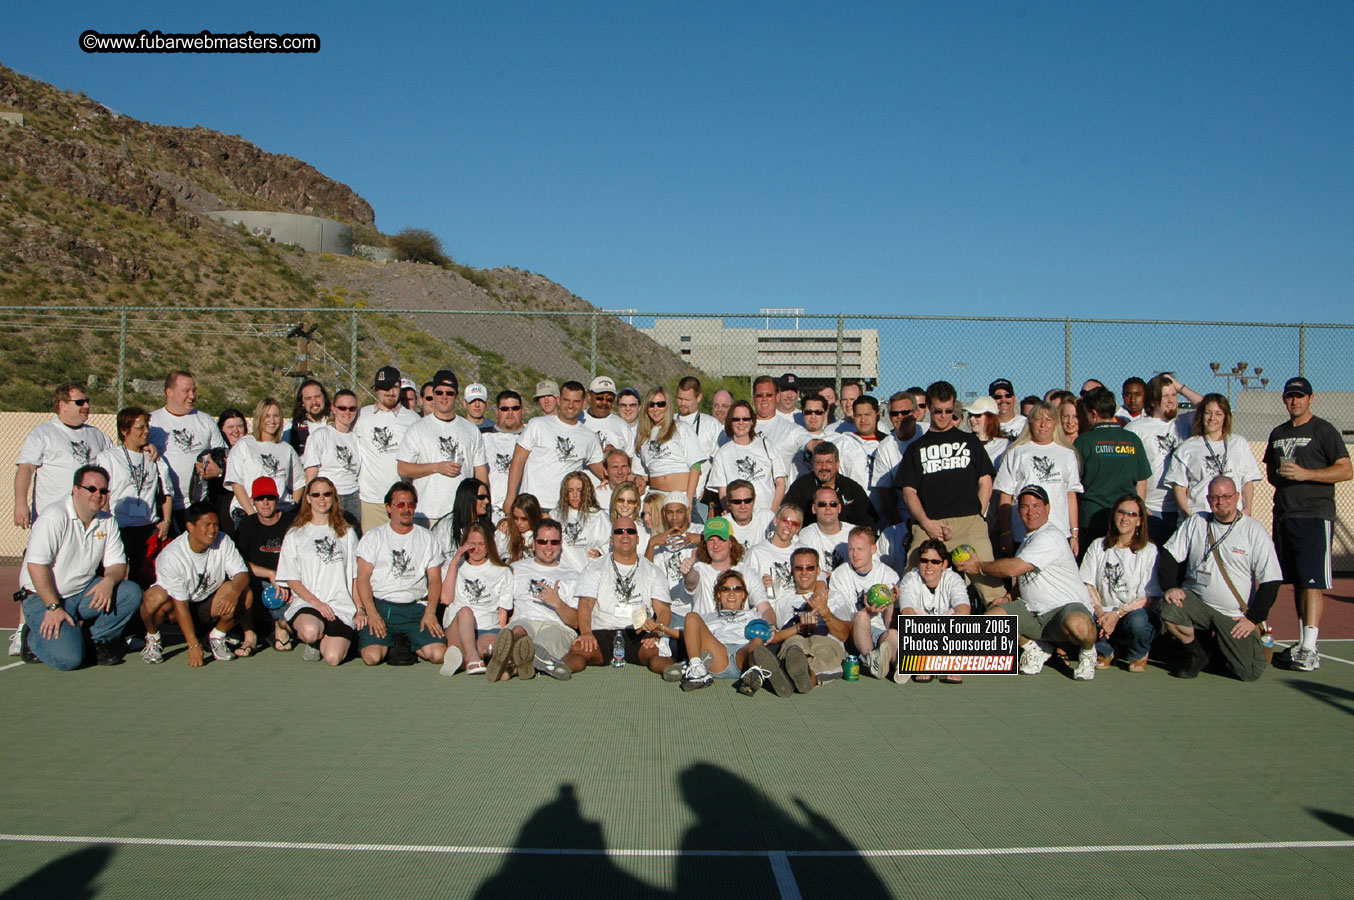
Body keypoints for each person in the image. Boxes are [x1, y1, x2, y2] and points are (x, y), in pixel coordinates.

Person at [959, 485, 1099, 680]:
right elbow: (1025, 578)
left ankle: (1089, 652)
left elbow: (1013, 568)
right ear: (1019, 511)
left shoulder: (1049, 536)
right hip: (1033, 613)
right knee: (991, 620)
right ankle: (1034, 648)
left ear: (1048, 508)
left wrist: (979, 566)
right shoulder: (1028, 540)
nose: (1030, 512)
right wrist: (1009, 597)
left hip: (1065, 611)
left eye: (1036, 505)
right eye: (1025, 506)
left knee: (1080, 626)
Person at [1264, 376, 1352, 672]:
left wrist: (1307, 474)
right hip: (1284, 516)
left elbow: (1346, 470)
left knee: (1312, 582)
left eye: (1300, 396)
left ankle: (1311, 648)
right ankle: (1303, 643)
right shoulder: (1278, 433)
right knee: (1298, 581)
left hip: (1314, 516)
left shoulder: (1323, 430)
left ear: (1311, 399)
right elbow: (1272, 473)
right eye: (1290, 396)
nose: (1295, 401)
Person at [1157, 476, 1283, 681]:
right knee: (1169, 608)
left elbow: (1272, 580)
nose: (1220, 501)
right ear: (1208, 499)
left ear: (1237, 497)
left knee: (1249, 672)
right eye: (1215, 497)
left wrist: (1253, 619)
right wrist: (1170, 586)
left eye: (1226, 496)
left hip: (1233, 615)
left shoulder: (1254, 530)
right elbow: (1169, 555)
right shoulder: (1196, 522)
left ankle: (1216, 651)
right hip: (1198, 603)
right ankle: (1196, 654)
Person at [16, 465, 142, 669]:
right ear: (75, 490)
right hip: (43, 598)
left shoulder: (107, 521)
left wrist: (109, 581)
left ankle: (96, 641)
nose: (98, 495)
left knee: (130, 593)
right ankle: (32, 638)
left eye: (103, 490)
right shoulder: (54, 516)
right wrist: (53, 607)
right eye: (91, 489)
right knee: (69, 660)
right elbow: (36, 566)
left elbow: (117, 564)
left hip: (81, 593)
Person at [898, 381, 1003, 609]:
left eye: (948, 410)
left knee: (992, 589)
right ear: (928, 408)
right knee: (910, 580)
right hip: (929, 524)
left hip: (969, 523)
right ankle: (908, 631)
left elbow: (985, 480)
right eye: (938, 411)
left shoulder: (970, 442)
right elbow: (909, 492)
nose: (944, 416)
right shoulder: (916, 448)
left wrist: (978, 514)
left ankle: (1006, 631)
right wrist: (926, 523)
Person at [139, 502, 251, 666]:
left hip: (208, 603)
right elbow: (181, 604)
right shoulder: (172, 555)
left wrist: (234, 594)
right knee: (153, 597)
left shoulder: (223, 540)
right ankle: (153, 638)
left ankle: (217, 637)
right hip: (177, 608)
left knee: (245, 594)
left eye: (215, 524)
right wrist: (193, 644)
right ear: (190, 527)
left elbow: (241, 574)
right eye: (206, 525)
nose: (213, 530)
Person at [353, 482, 447, 665]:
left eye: (410, 504)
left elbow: (435, 579)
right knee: (372, 658)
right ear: (389, 507)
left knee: (438, 655)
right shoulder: (374, 537)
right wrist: (371, 613)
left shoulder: (428, 538)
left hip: (415, 609)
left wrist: (430, 612)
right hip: (382, 607)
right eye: (400, 504)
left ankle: (405, 642)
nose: (406, 509)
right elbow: (363, 579)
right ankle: (396, 643)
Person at [564, 516, 668, 672]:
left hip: (639, 631)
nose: (625, 535)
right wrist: (586, 633)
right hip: (602, 630)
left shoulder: (653, 570)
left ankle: (674, 672)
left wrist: (656, 633)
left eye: (630, 531)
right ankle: (561, 670)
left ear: (638, 539)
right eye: (619, 531)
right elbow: (586, 604)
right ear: (611, 540)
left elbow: (664, 610)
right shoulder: (594, 567)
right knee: (579, 650)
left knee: (657, 652)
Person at [276, 476, 360, 665]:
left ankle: (326, 638)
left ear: (333, 497)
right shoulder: (295, 534)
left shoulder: (347, 533)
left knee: (333, 658)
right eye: (316, 494)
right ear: (308, 498)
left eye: (326, 494)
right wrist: (317, 603)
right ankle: (298, 631)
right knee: (310, 631)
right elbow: (291, 578)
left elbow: (354, 575)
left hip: (340, 605)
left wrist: (359, 608)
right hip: (309, 603)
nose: (321, 499)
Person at [397, 369, 489, 529]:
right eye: (439, 392)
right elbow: (403, 469)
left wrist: (481, 503)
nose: (444, 396)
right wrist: (436, 467)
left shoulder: (471, 430)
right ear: (433, 394)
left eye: (449, 393)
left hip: (462, 513)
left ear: (456, 396)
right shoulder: (417, 428)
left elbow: (480, 472)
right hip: (427, 514)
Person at [15, 382, 112, 529]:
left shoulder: (98, 435)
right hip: (54, 519)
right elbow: (26, 469)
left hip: (89, 519)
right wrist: (20, 504)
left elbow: (113, 465)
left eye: (87, 401)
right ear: (63, 405)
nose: (86, 406)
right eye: (80, 402)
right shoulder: (43, 433)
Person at [754, 548, 852, 693]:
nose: (804, 572)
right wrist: (799, 627)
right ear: (792, 570)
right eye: (799, 568)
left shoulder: (834, 596)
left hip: (826, 639)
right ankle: (801, 677)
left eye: (810, 568)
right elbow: (777, 636)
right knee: (794, 647)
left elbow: (844, 635)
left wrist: (825, 612)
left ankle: (795, 679)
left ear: (818, 571)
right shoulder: (782, 601)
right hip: (795, 639)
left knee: (824, 653)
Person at [96, 407, 174, 590]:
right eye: (140, 427)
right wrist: (105, 523)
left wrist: (166, 521)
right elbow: (103, 494)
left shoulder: (155, 458)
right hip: (119, 526)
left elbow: (166, 492)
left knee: (143, 578)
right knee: (111, 574)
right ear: (124, 430)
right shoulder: (109, 458)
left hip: (147, 527)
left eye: (147, 426)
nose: (146, 431)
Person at [1079, 494, 1158, 672]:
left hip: (1130, 613)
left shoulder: (1149, 550)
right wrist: (1100, 611)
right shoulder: (1098, 545)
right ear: (1114, 515)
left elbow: (1148, 597)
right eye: (1121, 512)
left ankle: (1138, 653)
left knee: (1139, 621)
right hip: (1102, 613)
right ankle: (1104, 651)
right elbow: (1087, 584)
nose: (1125, 518)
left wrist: (1117, 614)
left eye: (1132, 514)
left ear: (1139, 521)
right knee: (1082, 612)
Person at [993, 401, 1082, 557]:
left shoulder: (1067, 454)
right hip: (1023, 532)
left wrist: (1074, 534)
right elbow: (1006, 496)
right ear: (1030, 423)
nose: (1043, 425)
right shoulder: (1016, 452)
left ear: (1055, 424)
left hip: (1059, 532)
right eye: (1038, 419)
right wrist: (1006, 531)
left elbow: (1070, 495)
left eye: (1048, 420)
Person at [505, 380, 606, 514]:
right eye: (566, 400)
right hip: (533, 505)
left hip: (565, 509)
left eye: (576, 401)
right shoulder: (537, 424)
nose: (570, 405)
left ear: (583, 403)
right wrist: (510, 498)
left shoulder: (589, 437)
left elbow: (601, 469)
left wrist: (612, 478)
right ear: (558, 400)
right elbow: (518, 461)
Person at [503, 518, 581, 680]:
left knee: (541, 646)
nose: (549, 546)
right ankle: (520, 661)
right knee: (517, 631)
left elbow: (576, 622)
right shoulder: (515, 569)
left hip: (556, 626)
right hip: (523, 620)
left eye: (554, 542)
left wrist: (557, 603)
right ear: (533, 544)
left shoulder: (573, 576)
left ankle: (511, 665)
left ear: (561, 544)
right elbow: (503, 607)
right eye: (543, 541)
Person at [884, 539, 971, 684]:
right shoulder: (910, 579)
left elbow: (964, 610)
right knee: (914, 615)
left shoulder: (953, 579)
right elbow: (907, 612)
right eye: (924, 561)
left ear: (944, 564)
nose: (929, 566)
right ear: (919, 562)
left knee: (957, 616)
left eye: (935, 561)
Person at [149, 371, 225, 532]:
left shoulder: (205, 420)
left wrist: (217, 470)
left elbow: (223, 455)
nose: (192, 396)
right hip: (164, 508)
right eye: (186, 391)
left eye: (194, 390)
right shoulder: (152, 422)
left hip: (198, 505)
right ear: (169, 392)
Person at [1165, 393, 1263, 517]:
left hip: (1232, 517)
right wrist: (1188, 514)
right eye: (1208, 413)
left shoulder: (1239, 443)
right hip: (1200, 515)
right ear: (1201, 415)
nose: (1212, 418)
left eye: (1218, 413)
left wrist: (1247, 509)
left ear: (1225, 417)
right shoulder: (1187, 447)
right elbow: (1179, 486)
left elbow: (1247, 481)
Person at [1073, 387, 1150, 545]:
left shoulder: (1084, 441)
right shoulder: (1132, 440)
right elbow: (1141, 482)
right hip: (1125, 517)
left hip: (1092, 517)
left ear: (1093, 413)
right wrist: (1137, 513)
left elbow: (1073, 482)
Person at [440, 522, 517, 678]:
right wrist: (455, 561)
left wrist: (501, 633)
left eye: (481, 544)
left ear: (489, 545)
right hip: (458, 625)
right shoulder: (454, 566)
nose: (476, 549)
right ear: (464, 545)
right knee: (465, 611)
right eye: (472, 544)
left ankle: (463, 660)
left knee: (488, 651)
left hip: (487, 627)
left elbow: (502, 612)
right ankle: (472, 657)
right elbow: (446, 599)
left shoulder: (503, 571)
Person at [1126, 373, 1195, 544]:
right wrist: (1139, 505)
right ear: (1152, 400)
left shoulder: (1183, 422)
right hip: (1150, 508)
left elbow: (1209, 405)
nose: (1171, 400)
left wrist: (1179, 386)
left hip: (1180, 508)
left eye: (1174, 395)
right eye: (1165, 396)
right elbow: (1127, 472)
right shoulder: (1135, 428)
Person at [673, 570, 769, 691]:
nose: (731, 594)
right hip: (718, 653)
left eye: (737, 589)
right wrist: (662, 628)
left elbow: (771, 634)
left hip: (743, 655)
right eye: (725, 589)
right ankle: (697, 670)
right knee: (691, 617)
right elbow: (688, 634)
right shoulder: (708, 617)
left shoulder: (754, 615)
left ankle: (753, 673)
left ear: (744, 594)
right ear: (719, 594)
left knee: (758, 641)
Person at [352, 365, 422, 533]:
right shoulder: (361, 416)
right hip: (371, 501)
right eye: (385, 388)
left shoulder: (413, 419)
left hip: (403, 501)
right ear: (376, 389)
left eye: (394, 387)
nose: (390, 392)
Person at [232, 477, 296, 653]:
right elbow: (238, 562)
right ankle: (249, 635)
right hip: (257, 580)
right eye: (260, 498)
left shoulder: (292, 523)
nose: (265, 503)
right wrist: (269, 574)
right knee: (240, 584)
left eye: (270, 497)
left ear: (277, 498)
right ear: (253, 501)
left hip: (287, 581)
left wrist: (284, 579)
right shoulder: (247, 525)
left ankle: (280, 627)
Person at [225, 397, 305, 525]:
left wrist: (290, 508)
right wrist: (252, 515)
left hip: (279, 515)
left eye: (276, 416)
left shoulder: (287, 449)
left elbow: (299, 483)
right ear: (259, 417)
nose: (272, 420)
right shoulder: (244, 445)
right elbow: (236, 483)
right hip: (249, 514)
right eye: (267, 416)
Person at [835, 527, 901, 673]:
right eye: (851, 549)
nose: (854, 554)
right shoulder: (840, 575)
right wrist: (868, 610)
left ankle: (898, 665)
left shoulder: (889, 575)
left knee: (893, 634)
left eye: (860, 549)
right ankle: (873, 661)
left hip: (880, 634)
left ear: (873, 549)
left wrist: (890, 605)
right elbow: (843, 618)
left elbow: (889, 625)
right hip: (853, 634)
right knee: (862, 616)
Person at [707, 399, 787, 514]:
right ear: (730, 422)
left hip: (767, 513)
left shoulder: (766, 445)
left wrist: (772, 512)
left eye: (745, 419)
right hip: (739, 516)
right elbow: (723, 491)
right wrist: (731, 513)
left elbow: (780, 482)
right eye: (736, 419)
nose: (741, 423)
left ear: (752, 421)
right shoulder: (722, 454)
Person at [634, 385, 703, 512]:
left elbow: (696, 467)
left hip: (680, 497)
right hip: (655, 497)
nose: (655, 408)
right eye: (651, 404)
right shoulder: (642, 435)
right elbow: (641, 473)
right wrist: (638, 479)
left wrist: (688, 501)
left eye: (660, 404)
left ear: (668, 406)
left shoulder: (681, 428)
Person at [834, 395, 903, 519]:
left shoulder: (891, 443)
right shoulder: (843, 443)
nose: (863, 419)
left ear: (877, 415)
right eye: (858, 415)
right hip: (854, 514)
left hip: (888, 513)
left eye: (867, 415)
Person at [303, 388, 362, 526]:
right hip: (329, 496)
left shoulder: (355, 438)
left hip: (353, 496)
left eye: (352, 408)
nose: (347, 412)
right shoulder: (321, 435)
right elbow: (311, 475)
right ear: (333, 409)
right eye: (342, 408)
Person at [783, 441, 874, 528]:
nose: (824, 467)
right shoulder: (800, 487)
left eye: (829, 462)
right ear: (812, 464)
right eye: (819, 462)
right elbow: (786, 517)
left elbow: (867, 524)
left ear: (837, 464)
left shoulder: (851, 488)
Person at [746, 502, 806, 621]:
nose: (789, 526)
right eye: (785, 521)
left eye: (794, 524)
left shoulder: (803, 551)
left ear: (798, 529)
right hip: (774, 610)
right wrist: (760, 585)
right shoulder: (757, 552)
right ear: (776, 521)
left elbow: (819, 577)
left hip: (802, 602)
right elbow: (745, 589)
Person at [481, 390, 525, 522]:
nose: (510, 413)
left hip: (522, 514)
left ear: (522, 411)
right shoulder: (481, 436)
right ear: (497, 411)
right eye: (505, 409)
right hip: (489, 512)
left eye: (515, 408)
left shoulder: (532, 438)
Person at [555, 471, 611, 570]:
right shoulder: (555, 515)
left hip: (589, 571)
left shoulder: (598, 515)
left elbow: (610, 543)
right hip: (563, 573)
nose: (575, 495)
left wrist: (601, 554)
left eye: (579, 490)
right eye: (570, 490)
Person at [796, 485, 852, 573]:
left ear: (839, 508)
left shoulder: (854, 533)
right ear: (814, 509)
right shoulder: (807, 534)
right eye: (822, 504)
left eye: (833, 504)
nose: (828, 508)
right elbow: (809, 571)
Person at [431, 477, 493, 557]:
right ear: (468, 498)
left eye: (487, 497)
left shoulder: (489, 522)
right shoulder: (446, 527)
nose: (487, 501)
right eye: (481, 497)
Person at [581, 375, 630, 453]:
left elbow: (630, 457)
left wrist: (615, 455)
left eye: (609, 399)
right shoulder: (578, 419)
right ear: (589, 396)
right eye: (599, 398)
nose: (604, 402)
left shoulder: (622, 425)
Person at [722, 479, 773, 549]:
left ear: (754, 500)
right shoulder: (722, 525)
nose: (743, 506)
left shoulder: (767, 517)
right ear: (728, 503)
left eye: (747, 501)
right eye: (737, 502)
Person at [285, 378, 330, 457]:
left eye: (317, 396)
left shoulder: (335, 423)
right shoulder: (292, 426)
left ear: (324, 398)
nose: (314, 402)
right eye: (308, 398)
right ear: (302, 402)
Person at [964, 396, 1010, 469]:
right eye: (970, 415)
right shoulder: (964, 443)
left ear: (991, 416)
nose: (971, 419)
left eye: (977, 415)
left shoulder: (1006, 445)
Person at [499, 493, 543, 563]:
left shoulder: (543, 534)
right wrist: (502, 536)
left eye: (524, 519)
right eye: (516, 518)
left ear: (533, 517)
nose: (519, 523)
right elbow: (497, 555)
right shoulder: (506, 530)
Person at [608, 481, 650, 552]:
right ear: (614, 502)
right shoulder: (607, 526)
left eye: (630, 501)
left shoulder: (644, 528)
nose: (625, 504)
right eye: (621, 500)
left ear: (636, 504)